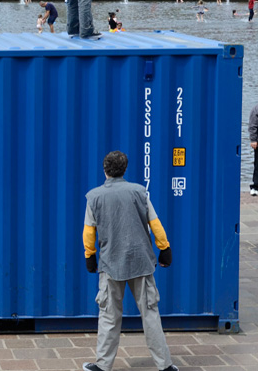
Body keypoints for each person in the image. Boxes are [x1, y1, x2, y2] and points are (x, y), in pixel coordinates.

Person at [82, 151, 177, 371]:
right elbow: (155, 223)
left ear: (104, 170)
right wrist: (165, 248)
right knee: (150, 314)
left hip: (110, 263)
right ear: (125, 170)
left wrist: (90, 255)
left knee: (109, 315)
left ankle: (103, 365)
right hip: (141, 261)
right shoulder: (139, 192)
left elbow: (89, 232)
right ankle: (165, 366)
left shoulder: (94, 197)